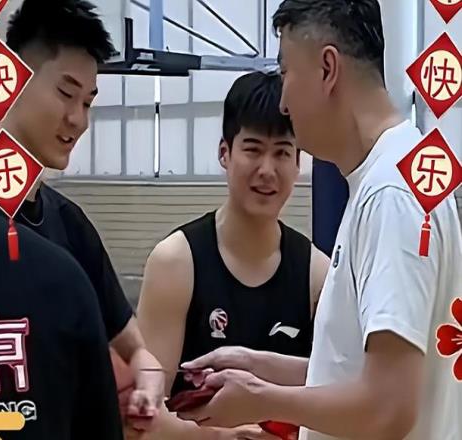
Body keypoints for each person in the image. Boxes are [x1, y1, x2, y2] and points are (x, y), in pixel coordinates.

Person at [178, 1, 462, 440]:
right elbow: (355, 374)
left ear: (328, 69)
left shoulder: (390, 195)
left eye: (286, 72)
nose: (283, 102)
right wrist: (258, 366)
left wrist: (262, 399)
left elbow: (389, 408)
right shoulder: (394, 176)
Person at [0, 0, 164, 432]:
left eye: (88, 102)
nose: (78, 119)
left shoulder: (70, 226)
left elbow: (138, 352)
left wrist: (147, 387)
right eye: (66, 93)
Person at [135, 71, 330, 440]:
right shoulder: (175, 263)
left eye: (282, 153)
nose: (267, 170)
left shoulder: (317, 274)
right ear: (224, 153)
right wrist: (224, 437)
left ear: (298, 163)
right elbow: (144, 417)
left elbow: (334, 395)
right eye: (253, 149)